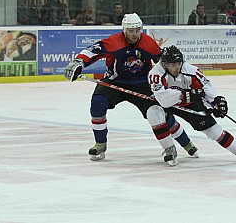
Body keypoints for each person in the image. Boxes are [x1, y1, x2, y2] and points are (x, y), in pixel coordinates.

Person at [64, 13, 198, 166]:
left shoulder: (148, 43)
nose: (135, 34)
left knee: (160, 113)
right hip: (115, 82)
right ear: (124, 30)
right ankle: (100, 143)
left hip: (142, 84)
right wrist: (78, 62)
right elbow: (94, 51)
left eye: (137, 30)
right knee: (97, 103)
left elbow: (164, 62)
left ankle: (185, 142)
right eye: (131, 31)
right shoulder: (114, 42)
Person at [148, 45, 236, 164]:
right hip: (167, 105)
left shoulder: (191, 70)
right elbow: (163, 99)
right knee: (153, 112)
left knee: (213, 129)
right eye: (173, 65)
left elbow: (206, 86)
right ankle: (169, 149)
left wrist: (216, 101)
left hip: (190, 104)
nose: (177, 67)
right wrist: (183, 95)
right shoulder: (155, 73)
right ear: (164, 63)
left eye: (179, 63)